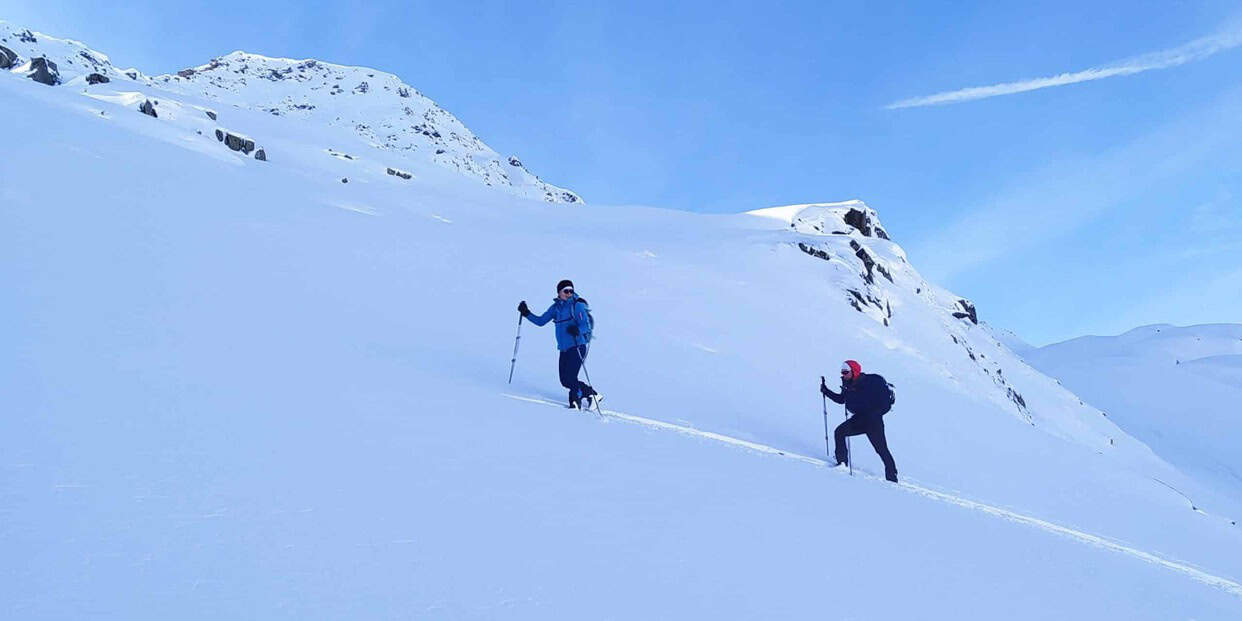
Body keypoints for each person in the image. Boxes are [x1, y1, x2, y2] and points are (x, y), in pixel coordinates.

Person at [518, 279, 600, 409]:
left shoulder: (577, 305)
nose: (569, 294)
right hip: (564, 348)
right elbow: (541, 321)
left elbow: (586, 325)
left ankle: (575, 402)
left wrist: (577, 330)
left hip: (577, 346)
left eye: (571, 291)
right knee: (565, 380)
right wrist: (526, 313)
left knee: (571, 377)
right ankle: (591, 394)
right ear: (559, 293)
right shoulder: (556, 308)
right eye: (566, 291)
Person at [820, 360, 898, 482]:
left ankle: (892, 478)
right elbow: (842, 400)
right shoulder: (847, 384)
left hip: (873, 422)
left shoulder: (871, 382)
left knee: (881, 449)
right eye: (842, 372)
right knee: (839, 432)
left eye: (845, 372)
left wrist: (874, 415)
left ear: (854, 371)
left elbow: (885, 404)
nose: (843, 375)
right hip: (858, 419)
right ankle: (842, 464)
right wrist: (826, 391)